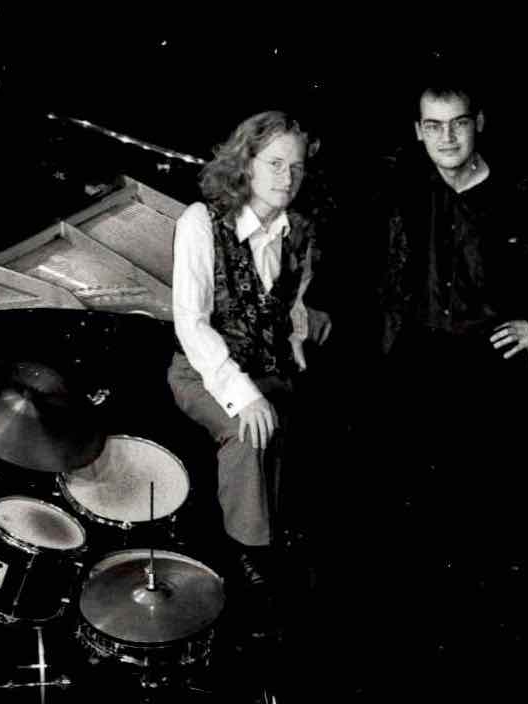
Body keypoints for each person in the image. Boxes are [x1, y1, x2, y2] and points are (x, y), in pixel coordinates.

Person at [373, 65, 528, 564]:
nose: (447, 137)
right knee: (416, 499)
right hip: (420, 356)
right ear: (418, 131)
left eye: (458, 123)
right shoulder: (404, 189)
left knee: (492, 501)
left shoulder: (522, 193)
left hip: (491, 362)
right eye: (434, 126)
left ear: (478, 123)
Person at [167, 111, 332, 593]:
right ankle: (248, 557)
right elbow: (192, 324)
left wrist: (304, 322)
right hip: (203, 372)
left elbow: (296, 296)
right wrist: (244, 396)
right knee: (250, 432)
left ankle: (293, 541)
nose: (287, 177)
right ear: (246, 163)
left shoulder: (298, 229)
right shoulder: (201, 221)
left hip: (271, 367)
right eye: (275, 164)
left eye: (296, 167)